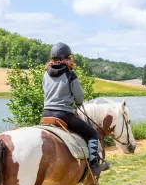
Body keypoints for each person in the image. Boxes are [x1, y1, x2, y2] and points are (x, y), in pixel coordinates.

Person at [42, 42, 110, 176]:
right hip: (64, 114)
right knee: (93, 134)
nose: (71, 59)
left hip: (46, 114)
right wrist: (78, 103)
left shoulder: (46, 74)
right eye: (70, 57)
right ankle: (94, 165)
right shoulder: (70, 74)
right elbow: (79, 97)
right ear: (65, 59)